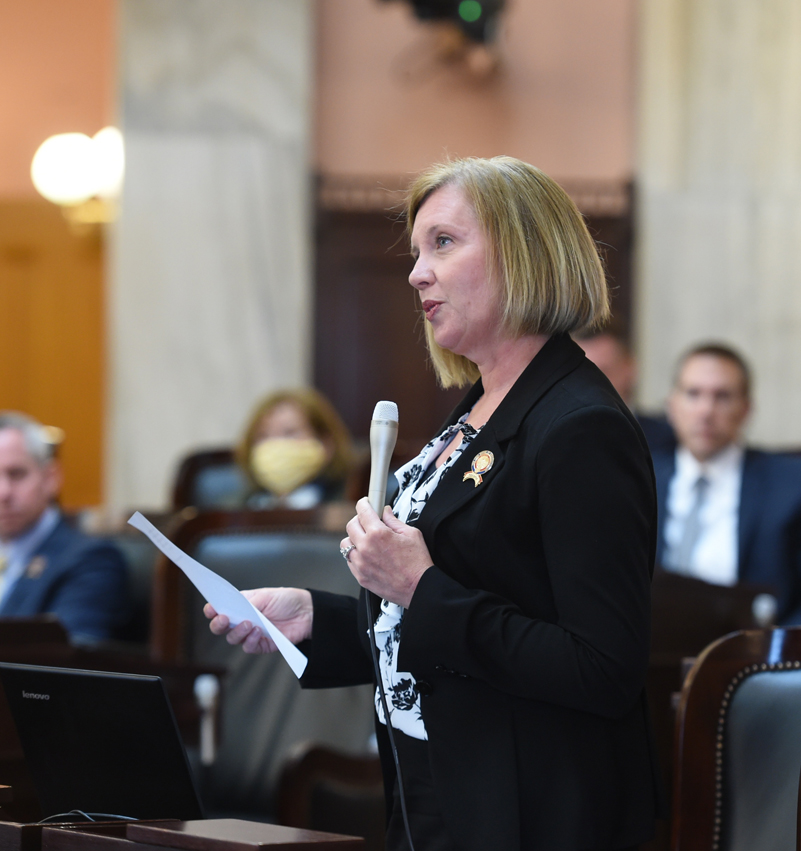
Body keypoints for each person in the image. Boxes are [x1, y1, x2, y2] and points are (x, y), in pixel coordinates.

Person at [207, 157, 660, 851]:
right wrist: (317, 619)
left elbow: (601, 666)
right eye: (418, 251)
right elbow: (458, 614)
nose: (417, 272)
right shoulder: (477, 407)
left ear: (522, 253)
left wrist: (418, 583)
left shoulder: (580, 425)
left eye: (443, 243)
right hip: (437, 786)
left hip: (531, 812)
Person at [656, 343, 801, 625]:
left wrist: (772, 659)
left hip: (754, 655)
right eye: (693, 394)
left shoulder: (799, 485)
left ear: (746, 409)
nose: (706, 410)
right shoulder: (638, 481)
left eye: (723, 396)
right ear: (671, 406)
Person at [0, 411, 128, 642]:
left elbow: (65, 662)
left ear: (50, 478)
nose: (3, 493)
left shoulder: (91, 561)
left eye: (17, 474)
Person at [233, 388, 353, 509]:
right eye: (263, 435)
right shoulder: (235, 509)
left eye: (290, 433)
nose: (275, 444)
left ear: (326, 444)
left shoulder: (352, 505)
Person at [574, 329, 675, 454]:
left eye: (601, 372)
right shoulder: (556, 440)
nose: (589, 384)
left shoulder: (671, 441)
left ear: (629, 368)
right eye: (579, 374)